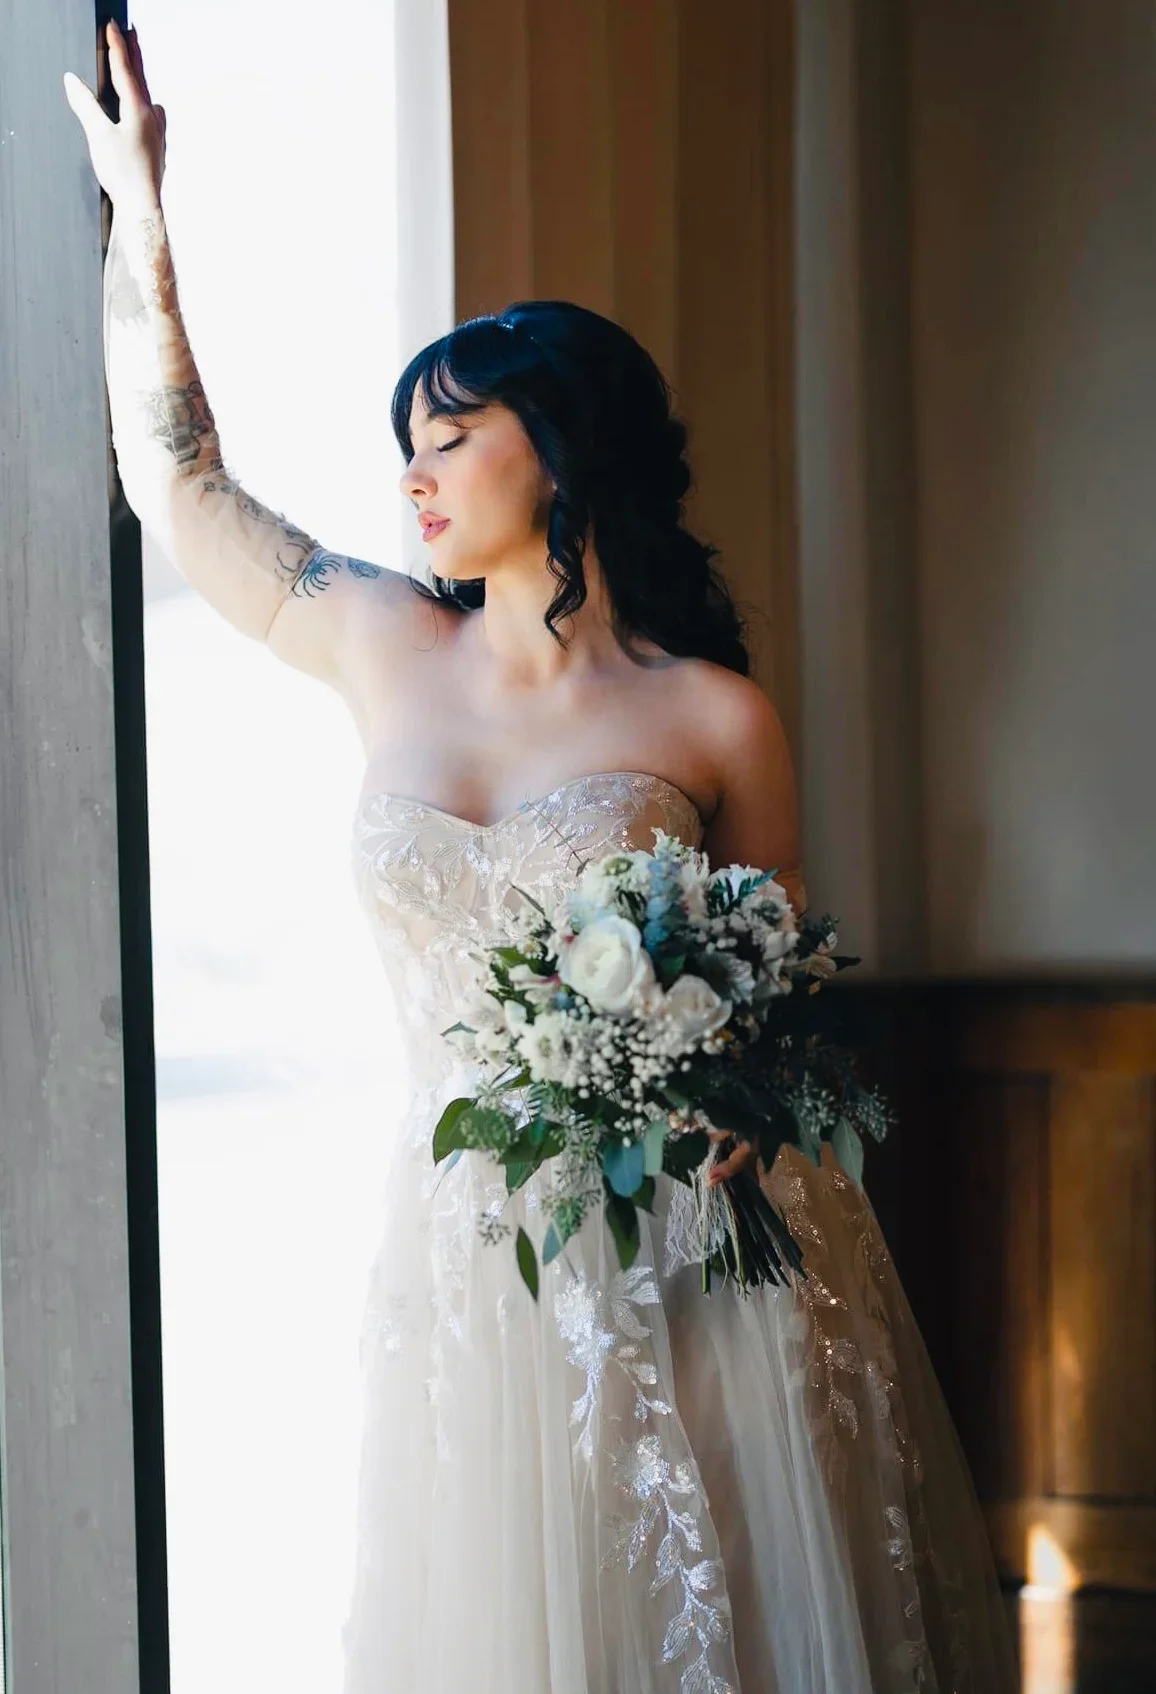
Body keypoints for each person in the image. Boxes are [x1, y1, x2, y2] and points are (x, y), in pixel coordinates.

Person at [65, 22, 1018, 1692]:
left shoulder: (718, 718)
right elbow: (177, 481)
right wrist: (146, 230)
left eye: (452, 435)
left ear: (559, 452)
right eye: (408, 445)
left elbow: (784, 1018)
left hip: (695, 1267)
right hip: (464, 1258)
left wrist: (742, 1092)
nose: (414, 473)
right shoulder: (377, 638)